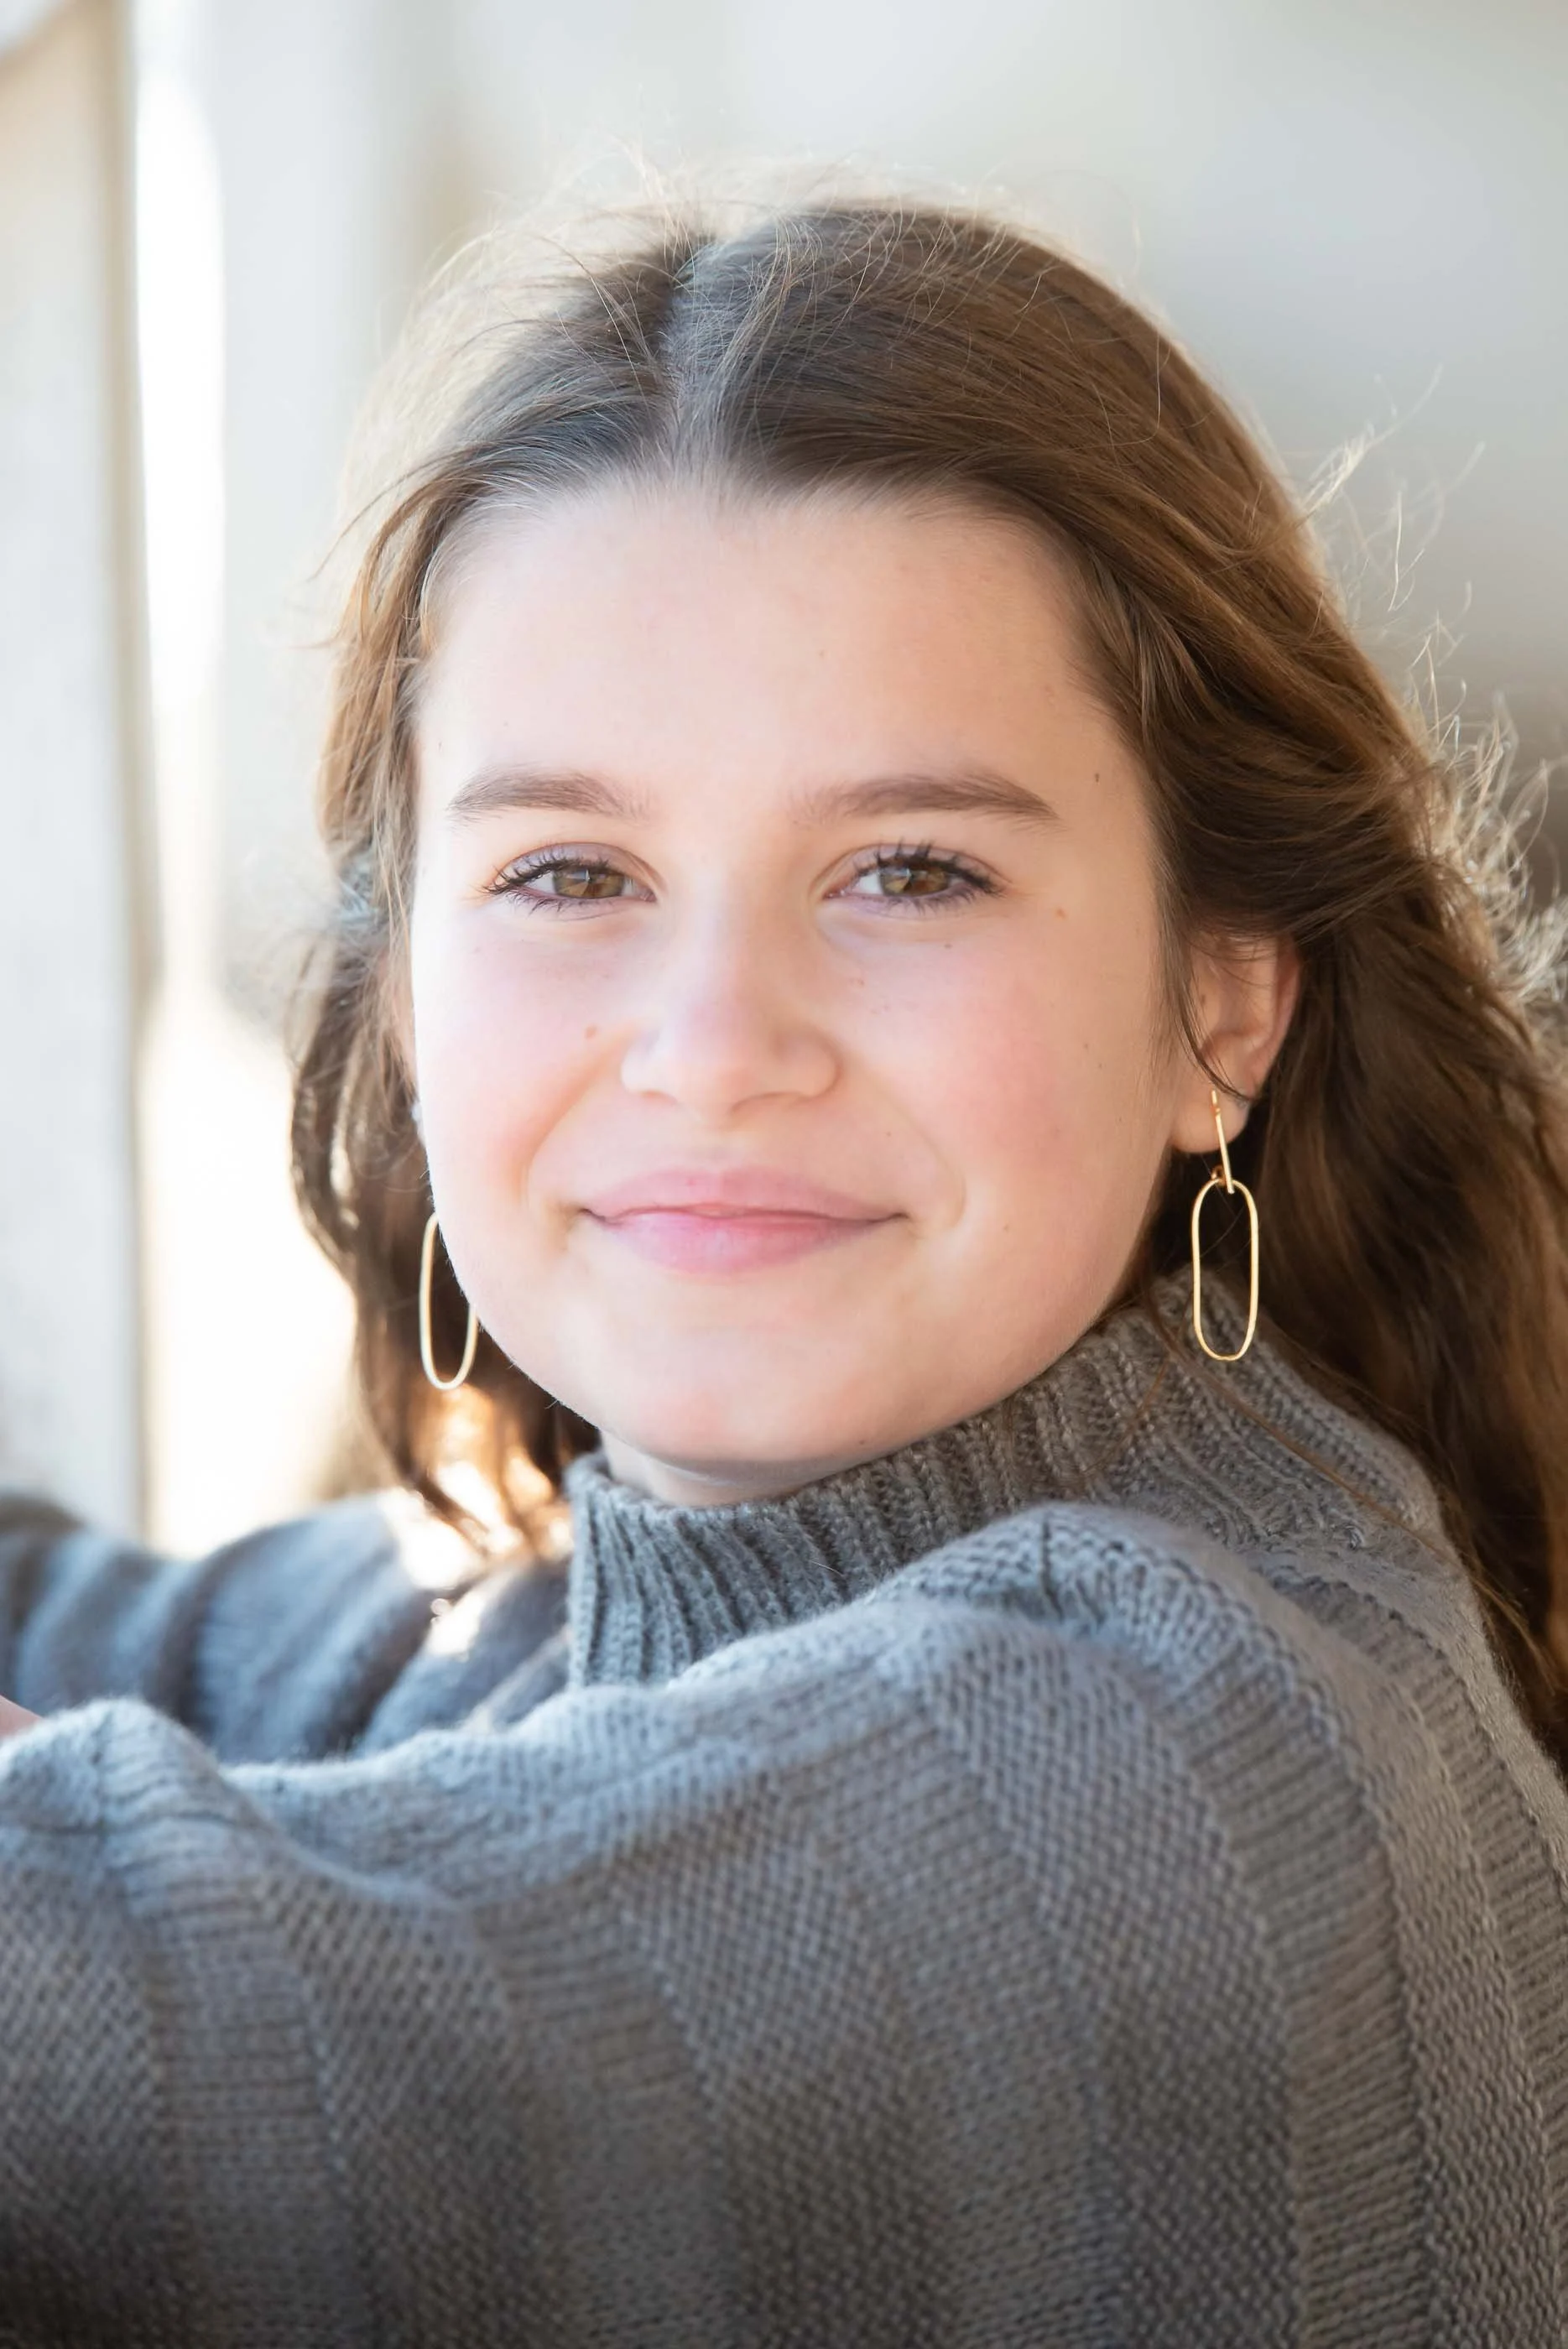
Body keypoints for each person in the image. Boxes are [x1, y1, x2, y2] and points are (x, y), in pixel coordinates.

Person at [3, 196, 1567, 2346]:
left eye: (910, 870)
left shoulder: (1184, 1756)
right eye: (570, 870)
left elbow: (97, 2014)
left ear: (1222, 1003)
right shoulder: (523, 1615)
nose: (718, 1043)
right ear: (394, 1007)